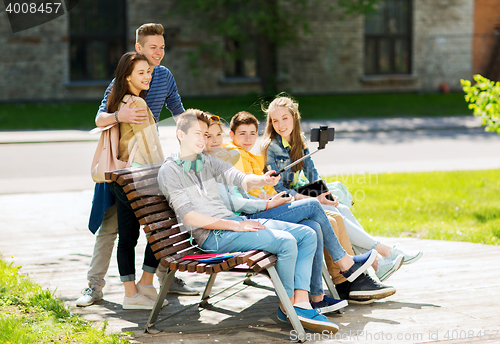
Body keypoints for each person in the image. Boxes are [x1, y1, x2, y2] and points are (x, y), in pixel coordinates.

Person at [158, 109, 342, 333]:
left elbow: (241, 179)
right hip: (212, 235)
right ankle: (288, 307)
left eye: (205, 134)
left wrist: (263, 179)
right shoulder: (171, 170)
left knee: (307, 234)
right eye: (198, 134)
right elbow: (189, 217)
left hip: (233, 224)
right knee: (286, 242)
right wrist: (237, 224)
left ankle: (301, 304)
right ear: (180, 135)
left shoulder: (207, 161)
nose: (203, 139)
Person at [218, 112, 398, 303]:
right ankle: (347, 274)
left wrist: (280, 196)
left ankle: (345, 282)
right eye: (242, 134)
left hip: (271, 204)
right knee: (318, 213)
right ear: (231, 135)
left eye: (252, 133)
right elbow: (248, 192)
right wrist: (274, 199)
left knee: (334, 217)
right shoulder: (235, 155)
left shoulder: (251, 156)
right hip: (260, 212)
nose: (248, 138)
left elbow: (269, 186)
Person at [78, 23, 196, 308]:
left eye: (163, 48)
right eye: (153, 47)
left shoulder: (165, 76)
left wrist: (198, 132)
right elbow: (99, 119)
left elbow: (178, 112)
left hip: (148, 157)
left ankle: (166, 279)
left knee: (160, 222)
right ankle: (94, 286)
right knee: (112, 227)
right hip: (124, 163)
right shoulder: (126, 77)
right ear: (139, 48)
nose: (159, 53)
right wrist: (120, 114)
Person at [261, 94, 423, 300]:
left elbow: (313, 175)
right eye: (275, 121)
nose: (280, 125)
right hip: (283, 204)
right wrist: (316, 199)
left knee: (341, 209)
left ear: (294, 118)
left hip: (300, 197)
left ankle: (378, 262)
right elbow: (279, 192)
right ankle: (383, 253)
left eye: (284, 118)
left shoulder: (298, 142)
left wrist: (325, 194)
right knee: (334, 213)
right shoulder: (270, 147)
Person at [100, 51, 164, 309]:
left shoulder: (124, 101)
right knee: (158, 232)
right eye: (141, 72)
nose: (148, 76)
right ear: (127, 77)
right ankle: (141, 287)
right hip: (139, 180)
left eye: (148, 72)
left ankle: (135, 292)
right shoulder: (136, 104)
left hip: (124, 180)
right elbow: (150, 147)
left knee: (128, 237)